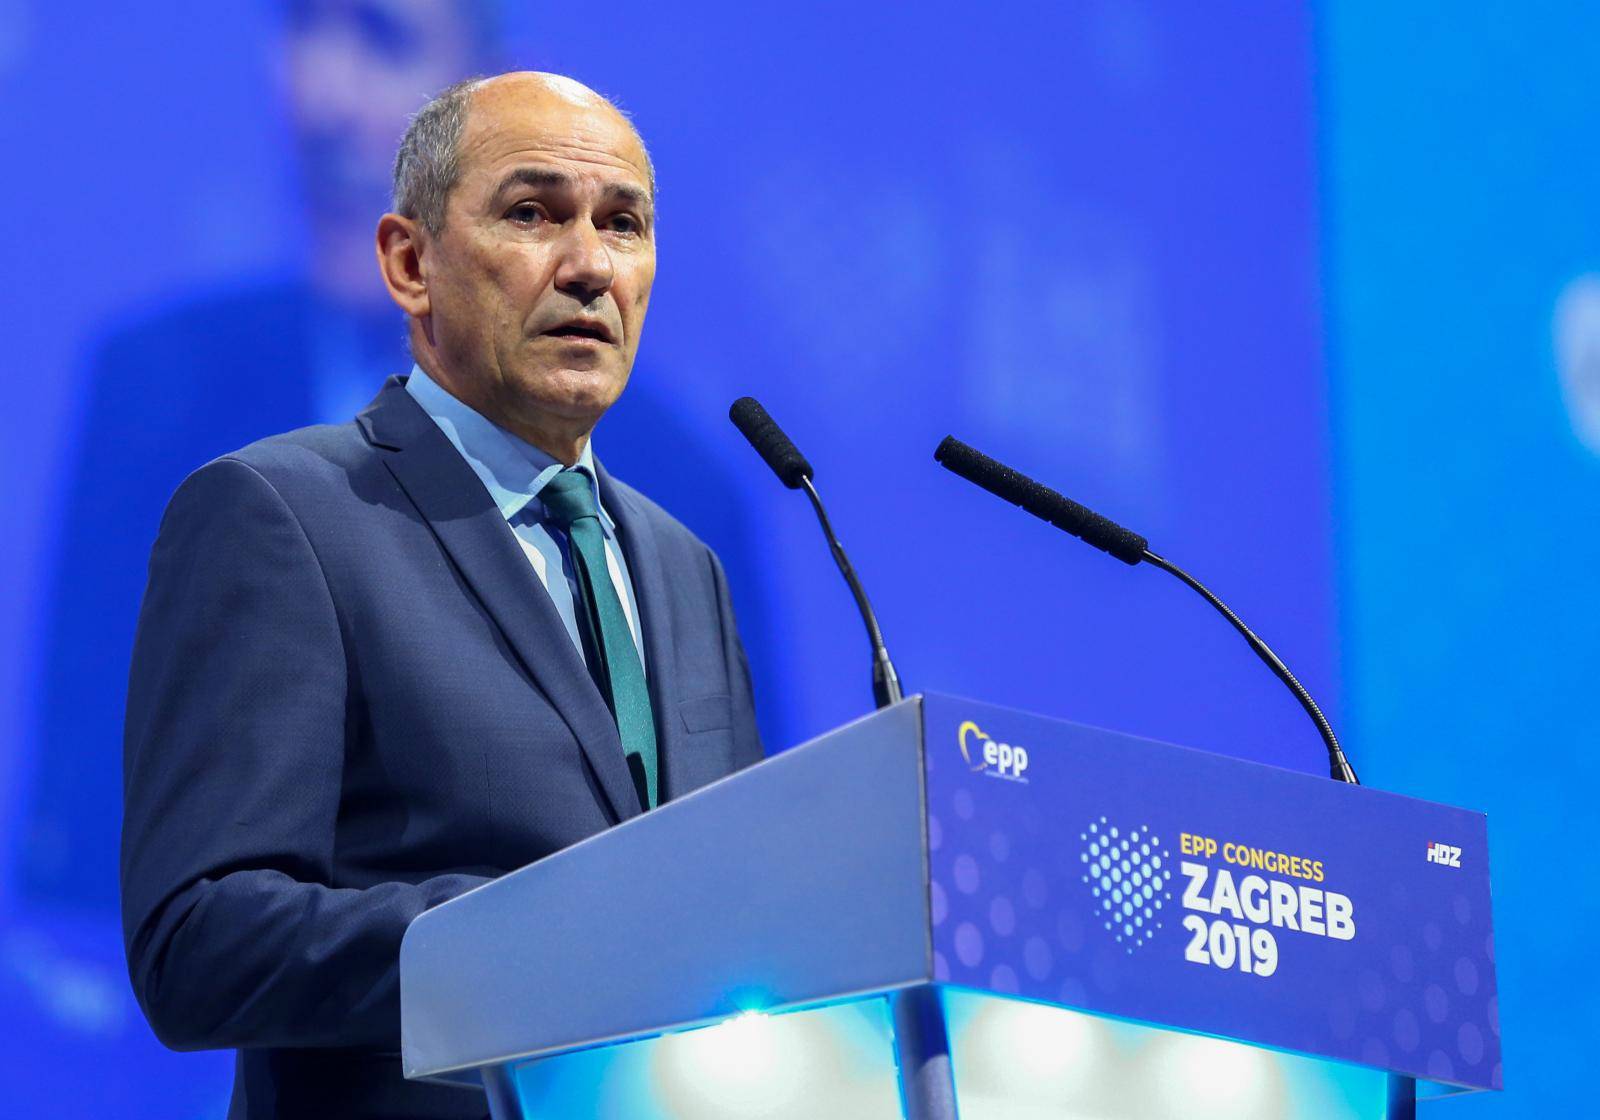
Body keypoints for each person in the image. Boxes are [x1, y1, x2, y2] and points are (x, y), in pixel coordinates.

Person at [120, 72, 764, 1119]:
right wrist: (519, 937)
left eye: (624, 224)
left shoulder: (683, 563)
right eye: (532, 214)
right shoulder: (283, 515)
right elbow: (199, 941)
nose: (590, 265)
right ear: (409, 262)